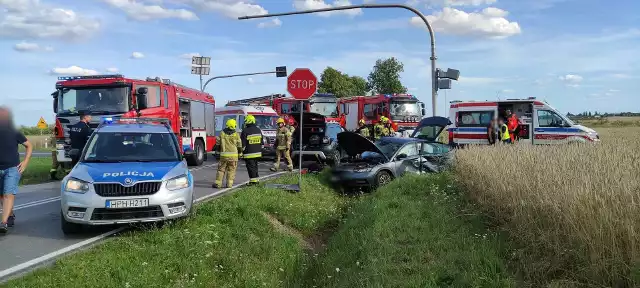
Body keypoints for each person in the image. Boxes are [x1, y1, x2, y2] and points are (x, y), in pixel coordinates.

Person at [0, 106, 32, 233]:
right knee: (2, 196)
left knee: (8, 194)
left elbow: (29, 145)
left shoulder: (14, 132)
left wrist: (25, 162)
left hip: (12, 168)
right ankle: (10, 215)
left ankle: (3, 223)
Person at [213, 119, 242, 188]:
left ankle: (218, 184)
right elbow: (239, 145)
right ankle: (229, 184)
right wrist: (240, 153)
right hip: (233, 157)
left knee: (221, 170)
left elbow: (217, 144)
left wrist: (217, 152)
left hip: (223, 156)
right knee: (231, 170)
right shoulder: (236, 134)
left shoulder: (222, 133)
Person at [240, 115, 263, 185]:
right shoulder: (258, 130)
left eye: (246, 121)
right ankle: (256, 179)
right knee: (255, 166)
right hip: (258, 153)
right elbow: (261, 142)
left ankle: (253, 182)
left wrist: (241, 152)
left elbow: (243, 144)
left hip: (249, 153)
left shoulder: (245, 131)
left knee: (251, 167)